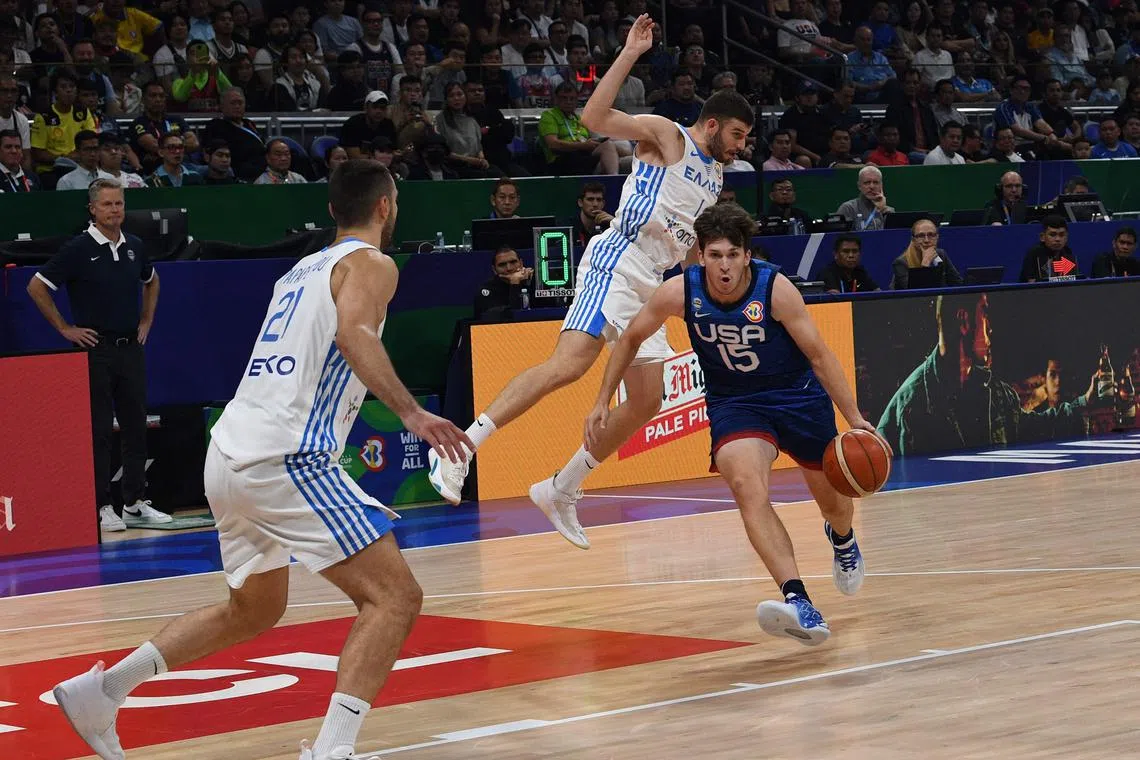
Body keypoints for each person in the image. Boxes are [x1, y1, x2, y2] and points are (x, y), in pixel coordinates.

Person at [50, 161, 473, 760]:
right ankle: (332, 751)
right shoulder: (373, 263)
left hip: (228, 451)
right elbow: (355, 335)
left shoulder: (300, 270)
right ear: (386, 206)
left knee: (253, 609)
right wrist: (411, 413)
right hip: (287, 456)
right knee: (394, 597)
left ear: (332, 210)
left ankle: (104, 691)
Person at [427, 15, 753, 547]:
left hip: (653, 280)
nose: (741, 146)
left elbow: (688, 245)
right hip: (617, 260)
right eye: (737, 135)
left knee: (648, 400)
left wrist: (709, 289)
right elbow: (594, 117)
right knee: (570, 365)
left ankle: (561, 487)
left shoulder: (715, 176)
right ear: (713, 124)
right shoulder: (668, 137)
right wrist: (630, 53)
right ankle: (460, 449)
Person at [585, 202, 884, 644]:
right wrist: (602, 399)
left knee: (835, 505)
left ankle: (842, 539)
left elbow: (820, 357)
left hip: (797, 397)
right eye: (714, 255)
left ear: (746, 255)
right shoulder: (679, 292)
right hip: (736, 403)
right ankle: (798, 601)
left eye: (731, 255)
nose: (723, 265)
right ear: (700, 255)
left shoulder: (775, 289)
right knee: (747, 487)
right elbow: (630, 338)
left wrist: (855, 418)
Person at [26, 179, 166, 534]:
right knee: (100, 430)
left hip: (130, 348)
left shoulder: (134, 245)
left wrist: (146, 320)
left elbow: (152, 280)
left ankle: (134, 502)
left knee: (135, 425)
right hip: (95, 350)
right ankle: (103, 505)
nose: (114, 210)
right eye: (107, 204)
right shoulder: (78, 248)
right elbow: (36, 286)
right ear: (92, 209)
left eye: (119, 204)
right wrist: (65, 328)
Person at [878, 292, 1094, 454]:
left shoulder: (996, 391)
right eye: (985, 314)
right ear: (964, 320)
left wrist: (1084, 402)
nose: (990, 328)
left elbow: (1032, 428)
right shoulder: (911, 406)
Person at [889, 217, 962, 289]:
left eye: (931, 235)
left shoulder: (941, 254)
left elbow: (958, 283)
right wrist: (925, 263)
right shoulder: (901, 263)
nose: (926, 240)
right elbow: (914, 292)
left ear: (937, 237)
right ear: (913, 239)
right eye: (921, 236)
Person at [474, 246, 534, 318]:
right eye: (502, 265)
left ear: (521, 263)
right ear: (494, 270)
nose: (509, 268)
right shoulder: (487, 290)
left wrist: (531, 281)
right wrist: (514, 283)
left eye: (513, 262)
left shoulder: (532, 281)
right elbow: (512, 316)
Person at [1020, 215, 1080, 282]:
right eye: (1052, 235)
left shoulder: (1067, 251)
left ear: (1066, 237)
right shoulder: (1034, 253)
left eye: (1062, 235)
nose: (1057, 239)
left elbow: (1072, 280)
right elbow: (1031, 282)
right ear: (1042, 237)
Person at [835, 165, 893, 231]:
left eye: (875, 182)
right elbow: (837, 235)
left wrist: (882, 210)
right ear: (859, 186)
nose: (871, 186)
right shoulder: (848, 208)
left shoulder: (889, 211)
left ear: (881, 185)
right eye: (867, 183)